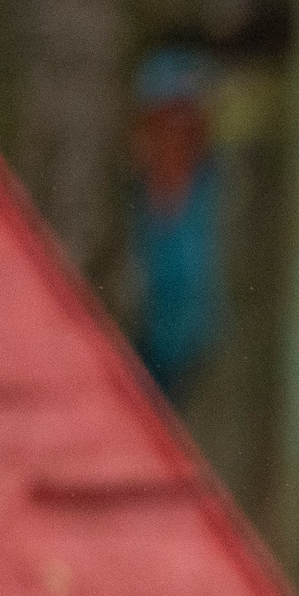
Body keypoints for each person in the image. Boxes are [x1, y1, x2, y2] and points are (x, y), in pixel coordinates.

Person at [128, 47, 224, 397]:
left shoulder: (198, 192)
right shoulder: (132, 196)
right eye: (163, 119)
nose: (173, 132)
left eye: (185, 120)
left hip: (169, 348)